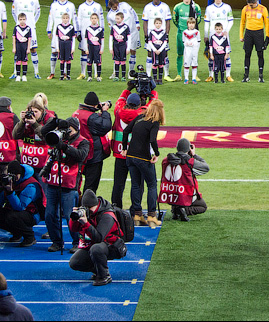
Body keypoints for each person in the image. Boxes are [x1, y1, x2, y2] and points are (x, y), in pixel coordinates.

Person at [39, 115, 90, 252]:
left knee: (70, 216)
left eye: (70, 130)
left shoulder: (83, 142)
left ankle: (77, 242)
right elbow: (43, 132)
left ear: (77, 130)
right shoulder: (56, 137)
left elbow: (80, 155)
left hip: (69, 185)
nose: (68, 133)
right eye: (66, 129)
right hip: (52, 182)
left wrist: (64, 147)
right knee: (49, 214)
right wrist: (54, 122)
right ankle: (57, 242)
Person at [68, 189, 130, 287]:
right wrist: (74, 218)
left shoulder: (107, 216)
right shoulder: (89, 213)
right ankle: (98, 269)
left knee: (96, 249)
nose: (88, 211)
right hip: (94, 243)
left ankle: (104, 275)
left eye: (89, 209)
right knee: (74, 262)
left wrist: (85, 223)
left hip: (113, 246)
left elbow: (99, 238)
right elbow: (73, 229)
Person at [124, 99, 165, 228]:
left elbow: (126, 131)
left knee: (136, 185)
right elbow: (152, 140)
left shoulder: (139, 118)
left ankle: (137, 215)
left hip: (130, 156)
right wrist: (156, 154)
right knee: (152, 185)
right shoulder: (154, 123)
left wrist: (124, 148)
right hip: (143, 157)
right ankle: (152, 216)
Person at [0, 162, 44, 247]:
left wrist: (10, 192)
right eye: (12, 175)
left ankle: (29, 236)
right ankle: (17, 232)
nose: (14, 178)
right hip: (14, 210)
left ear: (21, 173)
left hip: (32, 213)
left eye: (16, 175)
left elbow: (20, 207)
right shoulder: (10, 181)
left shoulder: (30, 184)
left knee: (12, 217)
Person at [73, 91, 113, 193]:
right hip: (92, 154)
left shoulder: (76, 113)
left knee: (75, 183)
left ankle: (75, 202)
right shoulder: (91, 117)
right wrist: (104, 112)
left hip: (78, 151)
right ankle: (86, 206)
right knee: (91, 186)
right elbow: (106, 126)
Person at [163, 138, 209, 220]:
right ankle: (183, 210)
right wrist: (194, 155)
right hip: (185, 194)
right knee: (203, 206)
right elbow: (205, 167)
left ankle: (175, 208)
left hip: (170, 195)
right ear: (188, 149)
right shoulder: (190, 162)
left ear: (177, 148)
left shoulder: (166, 160)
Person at [11, 0, 41, 79]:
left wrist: (32, 23)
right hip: (19, 30)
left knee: (33, 49)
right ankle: (15, 72)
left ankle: (36, 72)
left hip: (31, 28)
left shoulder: (34, 0)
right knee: (18, 50)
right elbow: (13, 12)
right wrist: (19, 24)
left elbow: (38, 13)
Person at [172, 0, 202, 81]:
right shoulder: (177, 7)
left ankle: (194, 75)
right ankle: (179, 74)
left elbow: (199, 19)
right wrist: (181, 28)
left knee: (194, 54)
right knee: (180, 53)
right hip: (181, 33)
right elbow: (174, 19)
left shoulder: (195, 7)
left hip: (193, 35)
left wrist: (192, 29)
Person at [204, 0, 235, 82]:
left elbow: (231, 21)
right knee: (211, 55)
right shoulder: (209, 8)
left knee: (226, 53)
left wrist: (226, 31)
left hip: (224, 35)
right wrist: (206, 35)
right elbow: (206, 22)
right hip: (212, 36)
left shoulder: (227, 7)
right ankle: (211, 75)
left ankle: (228, 75)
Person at [239, 0, 269, 83]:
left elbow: (267, 24)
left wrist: (268, 36)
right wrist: (241, 35)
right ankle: (246, 75)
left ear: (256, 2)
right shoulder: (245, 9)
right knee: (247, 53)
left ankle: (260, 76)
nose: (251, 7)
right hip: (248, 33)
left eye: (252, 5)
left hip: (259, 33)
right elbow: (242, 22)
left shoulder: (263, 9)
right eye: (249, 5)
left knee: (260, 54)